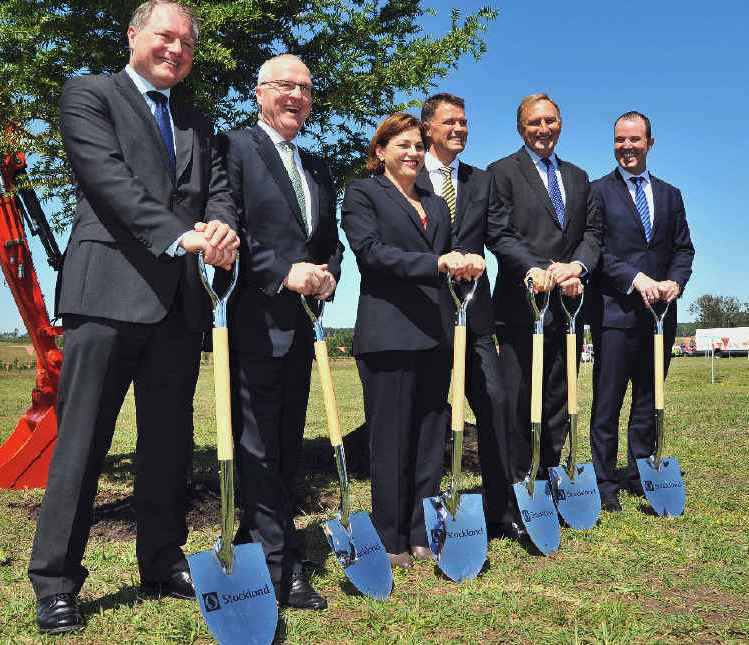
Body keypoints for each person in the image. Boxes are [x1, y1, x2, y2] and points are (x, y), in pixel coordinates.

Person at [27, 0, 239, 634]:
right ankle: (57, 581)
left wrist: (223, 228)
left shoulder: (200, 124)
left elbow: (219, 189)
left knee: (168, 444)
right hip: (105, 295)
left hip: (177, 303)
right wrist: (183, 236)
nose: (175, 49)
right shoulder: (89, 95)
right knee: (82, 441)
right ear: (134, 35)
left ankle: (161, 558)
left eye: (186, 43)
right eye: (164, 36)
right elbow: (108, 180)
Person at [218, 54, 343, 610]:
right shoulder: (234, 148)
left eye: (306, 89)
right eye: (285, 86)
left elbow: (329, 239)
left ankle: (260, 534)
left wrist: (330, 272)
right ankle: (279, 564)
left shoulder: (317, 165)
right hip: (255, 321)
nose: (296, 96)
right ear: (260, 92)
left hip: (302, 328)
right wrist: (281, 272)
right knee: (259, 446)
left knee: (287, 443)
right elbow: (231, 227)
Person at [341, 112, 484, 569]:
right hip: (388, 336)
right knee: (391, 440)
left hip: (435, 333)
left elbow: (450, 250)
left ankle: (424, 530)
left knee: (429, 436)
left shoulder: (436, 203)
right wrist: (437, 264)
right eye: (402, 145)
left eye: (419, 146)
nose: (413, 153)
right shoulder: (363, 193)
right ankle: (390, 538)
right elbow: (371, 254)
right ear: (380, 151)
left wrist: (466, 262)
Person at [416, 93, 539, 543]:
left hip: (476, 316)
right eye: (450, 122)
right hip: (426, 318)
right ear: (428, 128)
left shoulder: (480, 180)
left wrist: (531, 266)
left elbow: (501, 235)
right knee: (429, 415)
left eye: (464, 122)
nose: (460, 129)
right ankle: (427, 517)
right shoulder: (409, 176)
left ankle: (502, 511)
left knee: (495, 405)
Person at [487, 93, 602, 490]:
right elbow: (500, 233)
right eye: (534, 122)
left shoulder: (578, 176)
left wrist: (575, 268)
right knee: (519, 399)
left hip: (569, 304)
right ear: (521, 128)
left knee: (559, 396)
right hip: (521, 306)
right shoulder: (500, 173)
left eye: (550, 121)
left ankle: (551, 476)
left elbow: (592, 233)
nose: (543, 129)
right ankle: (520, 482)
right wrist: (539, 269)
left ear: (560, 124)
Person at [586, 111, 695, 512]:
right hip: (615, 313)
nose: (626, 147)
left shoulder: (670, 195)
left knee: (649, 400)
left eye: (634, 140)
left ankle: (639, 473)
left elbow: (683, 250)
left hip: (659, 318)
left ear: (650, 143)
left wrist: (674, 282)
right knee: (607, 402)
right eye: (619, 140)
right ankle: (603, 482)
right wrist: (637, 279)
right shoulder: (597, 191)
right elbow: (598, 251)